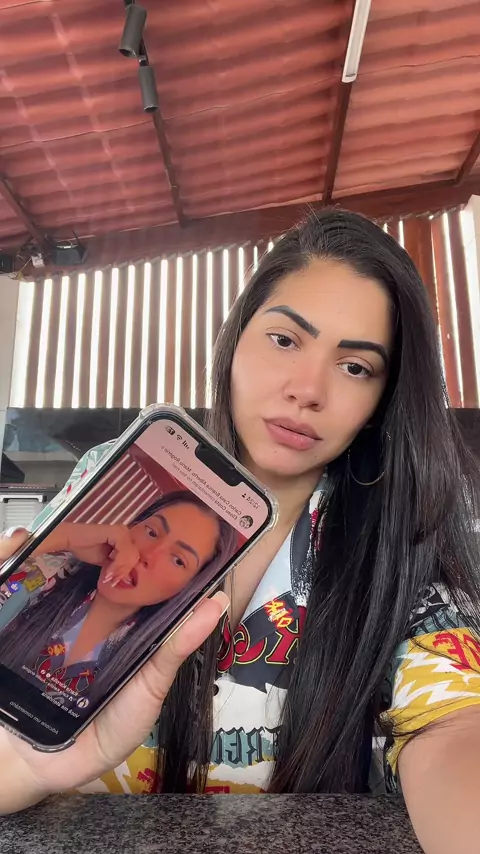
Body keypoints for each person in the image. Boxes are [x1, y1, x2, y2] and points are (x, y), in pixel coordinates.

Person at [0, 209, 479, 853]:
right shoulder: (115, 480)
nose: (306, 389)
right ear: (233, 342)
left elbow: (456, 727)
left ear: (381, 401)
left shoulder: (402, 549)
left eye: (355, 367)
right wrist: (25, 767)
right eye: (284, 339)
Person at [0, 492, 236, 706]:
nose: (147, 554)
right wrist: (65, 538)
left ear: (188, 587)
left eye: (178, 560)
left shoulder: (154, 669)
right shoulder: (43, 572)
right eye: (152, 532)